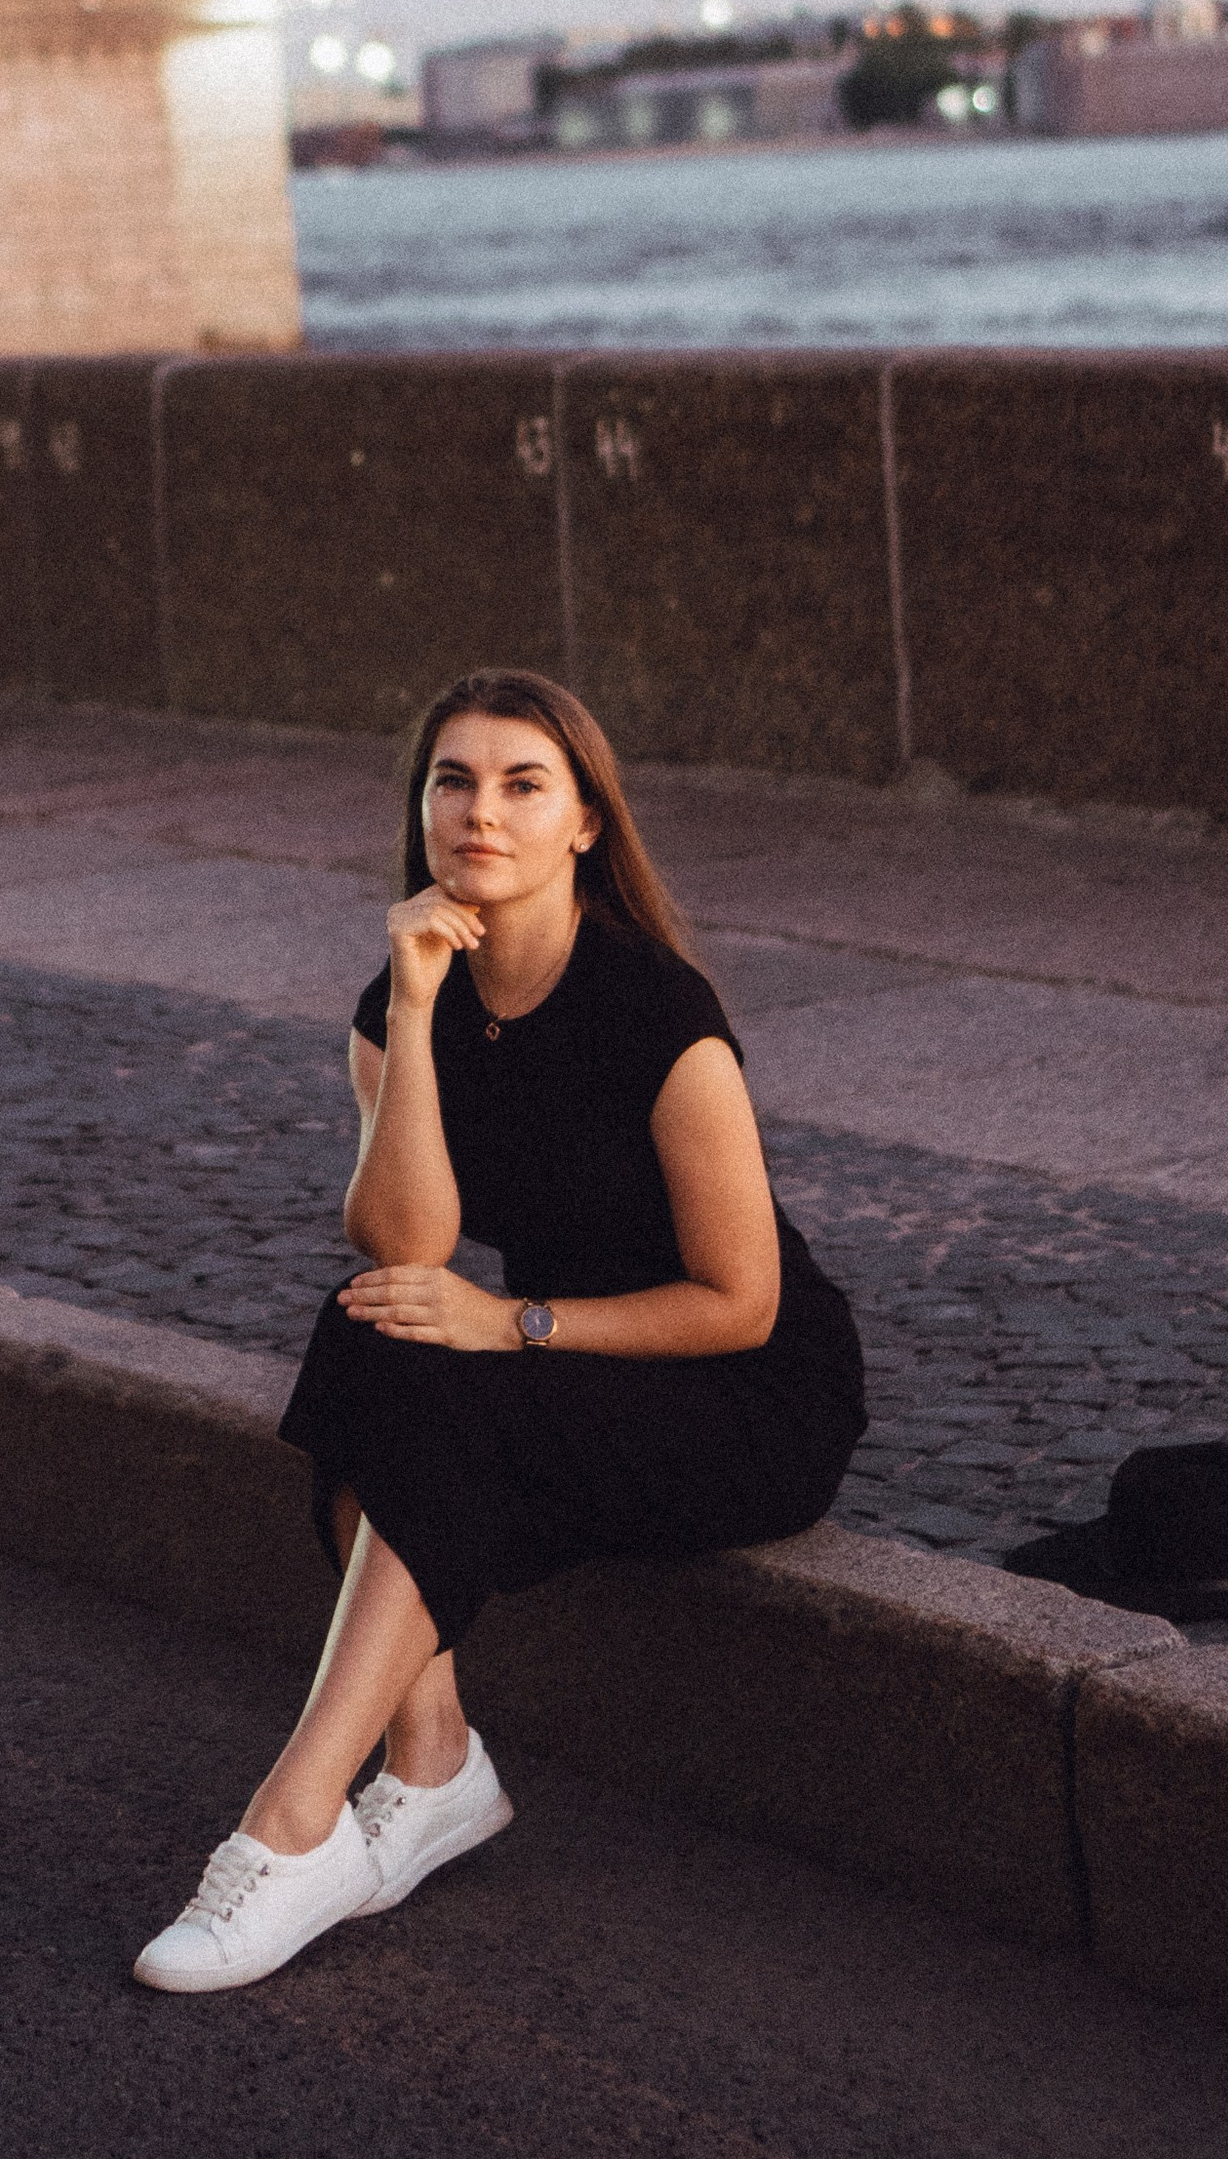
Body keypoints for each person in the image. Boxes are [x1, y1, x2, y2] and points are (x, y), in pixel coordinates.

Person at [134, 665, 867, 1993]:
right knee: (366, 1330)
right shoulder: (402, 999)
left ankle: (289, 1825)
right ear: (420, 810)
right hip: (565, 1360)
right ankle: (431, 1764)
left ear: (585, 822)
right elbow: (402, 1240)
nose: (483, 812)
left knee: (449, 1383)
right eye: (454, 782)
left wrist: (513, 1322)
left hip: (745, 1393)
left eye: (525, 785)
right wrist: (416, 1010)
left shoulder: (660, 1015)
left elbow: (742, 1302)